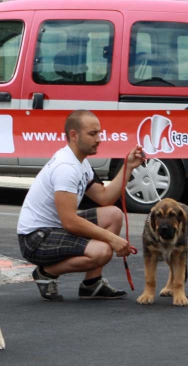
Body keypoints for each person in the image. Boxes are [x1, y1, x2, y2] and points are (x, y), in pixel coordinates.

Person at [17, 110, 144, 302]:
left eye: (99, 133)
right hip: (35, 239)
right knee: (102, 251)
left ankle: (92, 284)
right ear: (74, 135)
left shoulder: (81, 163)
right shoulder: (66, 167)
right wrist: (112, 239)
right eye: (92, 134)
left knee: (114, 214)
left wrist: (128, 167)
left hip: (55, 229)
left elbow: (104, 198)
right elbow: (70, 222)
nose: (99, 139)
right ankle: (45, 273)